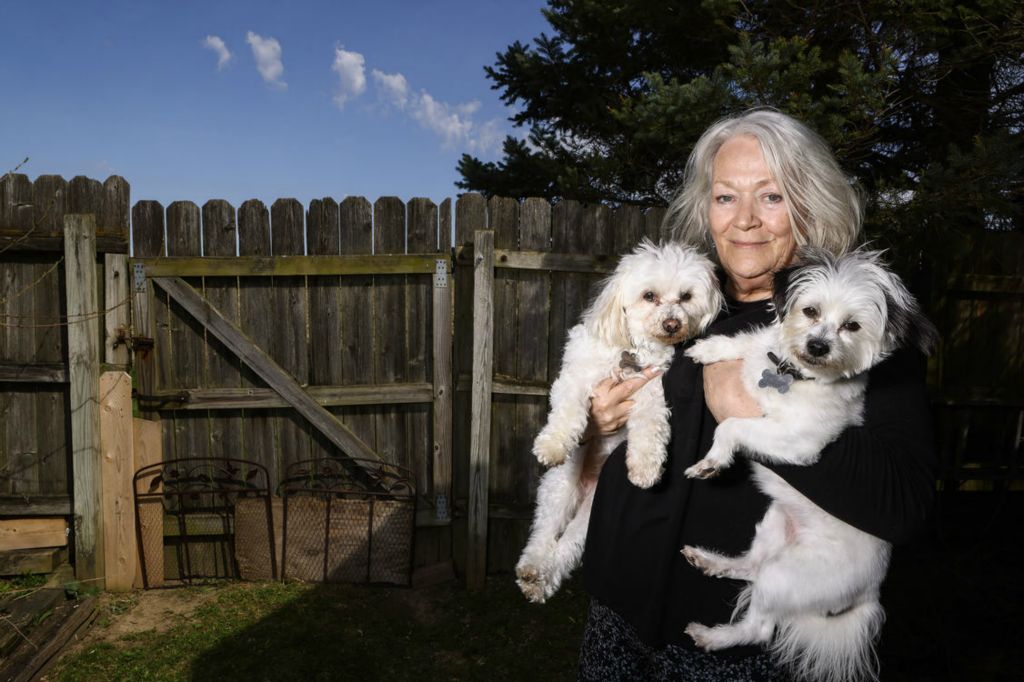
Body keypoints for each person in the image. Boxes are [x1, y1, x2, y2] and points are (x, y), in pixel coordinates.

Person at [577, 108, 936, 680]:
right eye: (725, 197)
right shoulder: (684, 298)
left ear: (809, 203)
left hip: (731, 641)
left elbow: (903, 504)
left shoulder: (859, 328)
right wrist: (598, 421)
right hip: (617, 608)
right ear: (706, 209)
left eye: (770, 197)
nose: (744, 220)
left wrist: (746, 410)